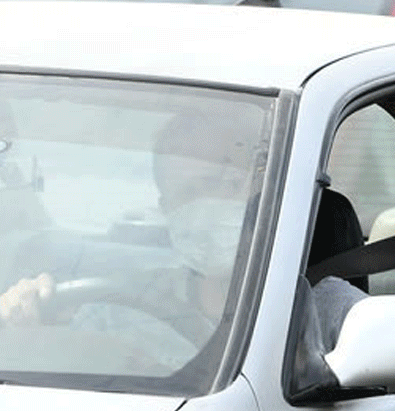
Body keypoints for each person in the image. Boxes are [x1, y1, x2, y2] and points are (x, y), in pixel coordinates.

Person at [0, 108, 365, 363]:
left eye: (220, 184)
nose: (207, 205)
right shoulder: (119, 306)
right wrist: (27, 324)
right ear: (165, 207)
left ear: (261, 186)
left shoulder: (326, 310)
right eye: (188, 194)